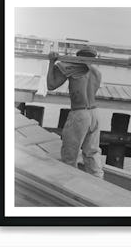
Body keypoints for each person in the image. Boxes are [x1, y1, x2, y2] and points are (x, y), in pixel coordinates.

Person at [47, 47, 104, 178]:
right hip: (95, 114)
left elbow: (50, 85)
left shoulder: (74, 69)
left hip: (80, 114)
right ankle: (99, 186)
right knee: (92, 153)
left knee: (69, 156)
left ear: (78, 58)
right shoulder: (97, 72)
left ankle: (70, 187)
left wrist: (51, 63)